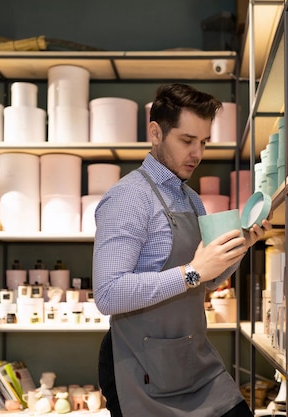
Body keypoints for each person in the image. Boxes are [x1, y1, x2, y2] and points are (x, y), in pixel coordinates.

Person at [93, 83, 272, 416]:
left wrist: (241, 246)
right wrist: (193, 272)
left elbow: (206, 282)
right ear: (156, 133)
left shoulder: (190, 199)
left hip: (192, 355)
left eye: (203, 142)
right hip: (140, 364)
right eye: (187, 141)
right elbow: (108, 294)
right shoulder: (128, 198)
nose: (198, 154)